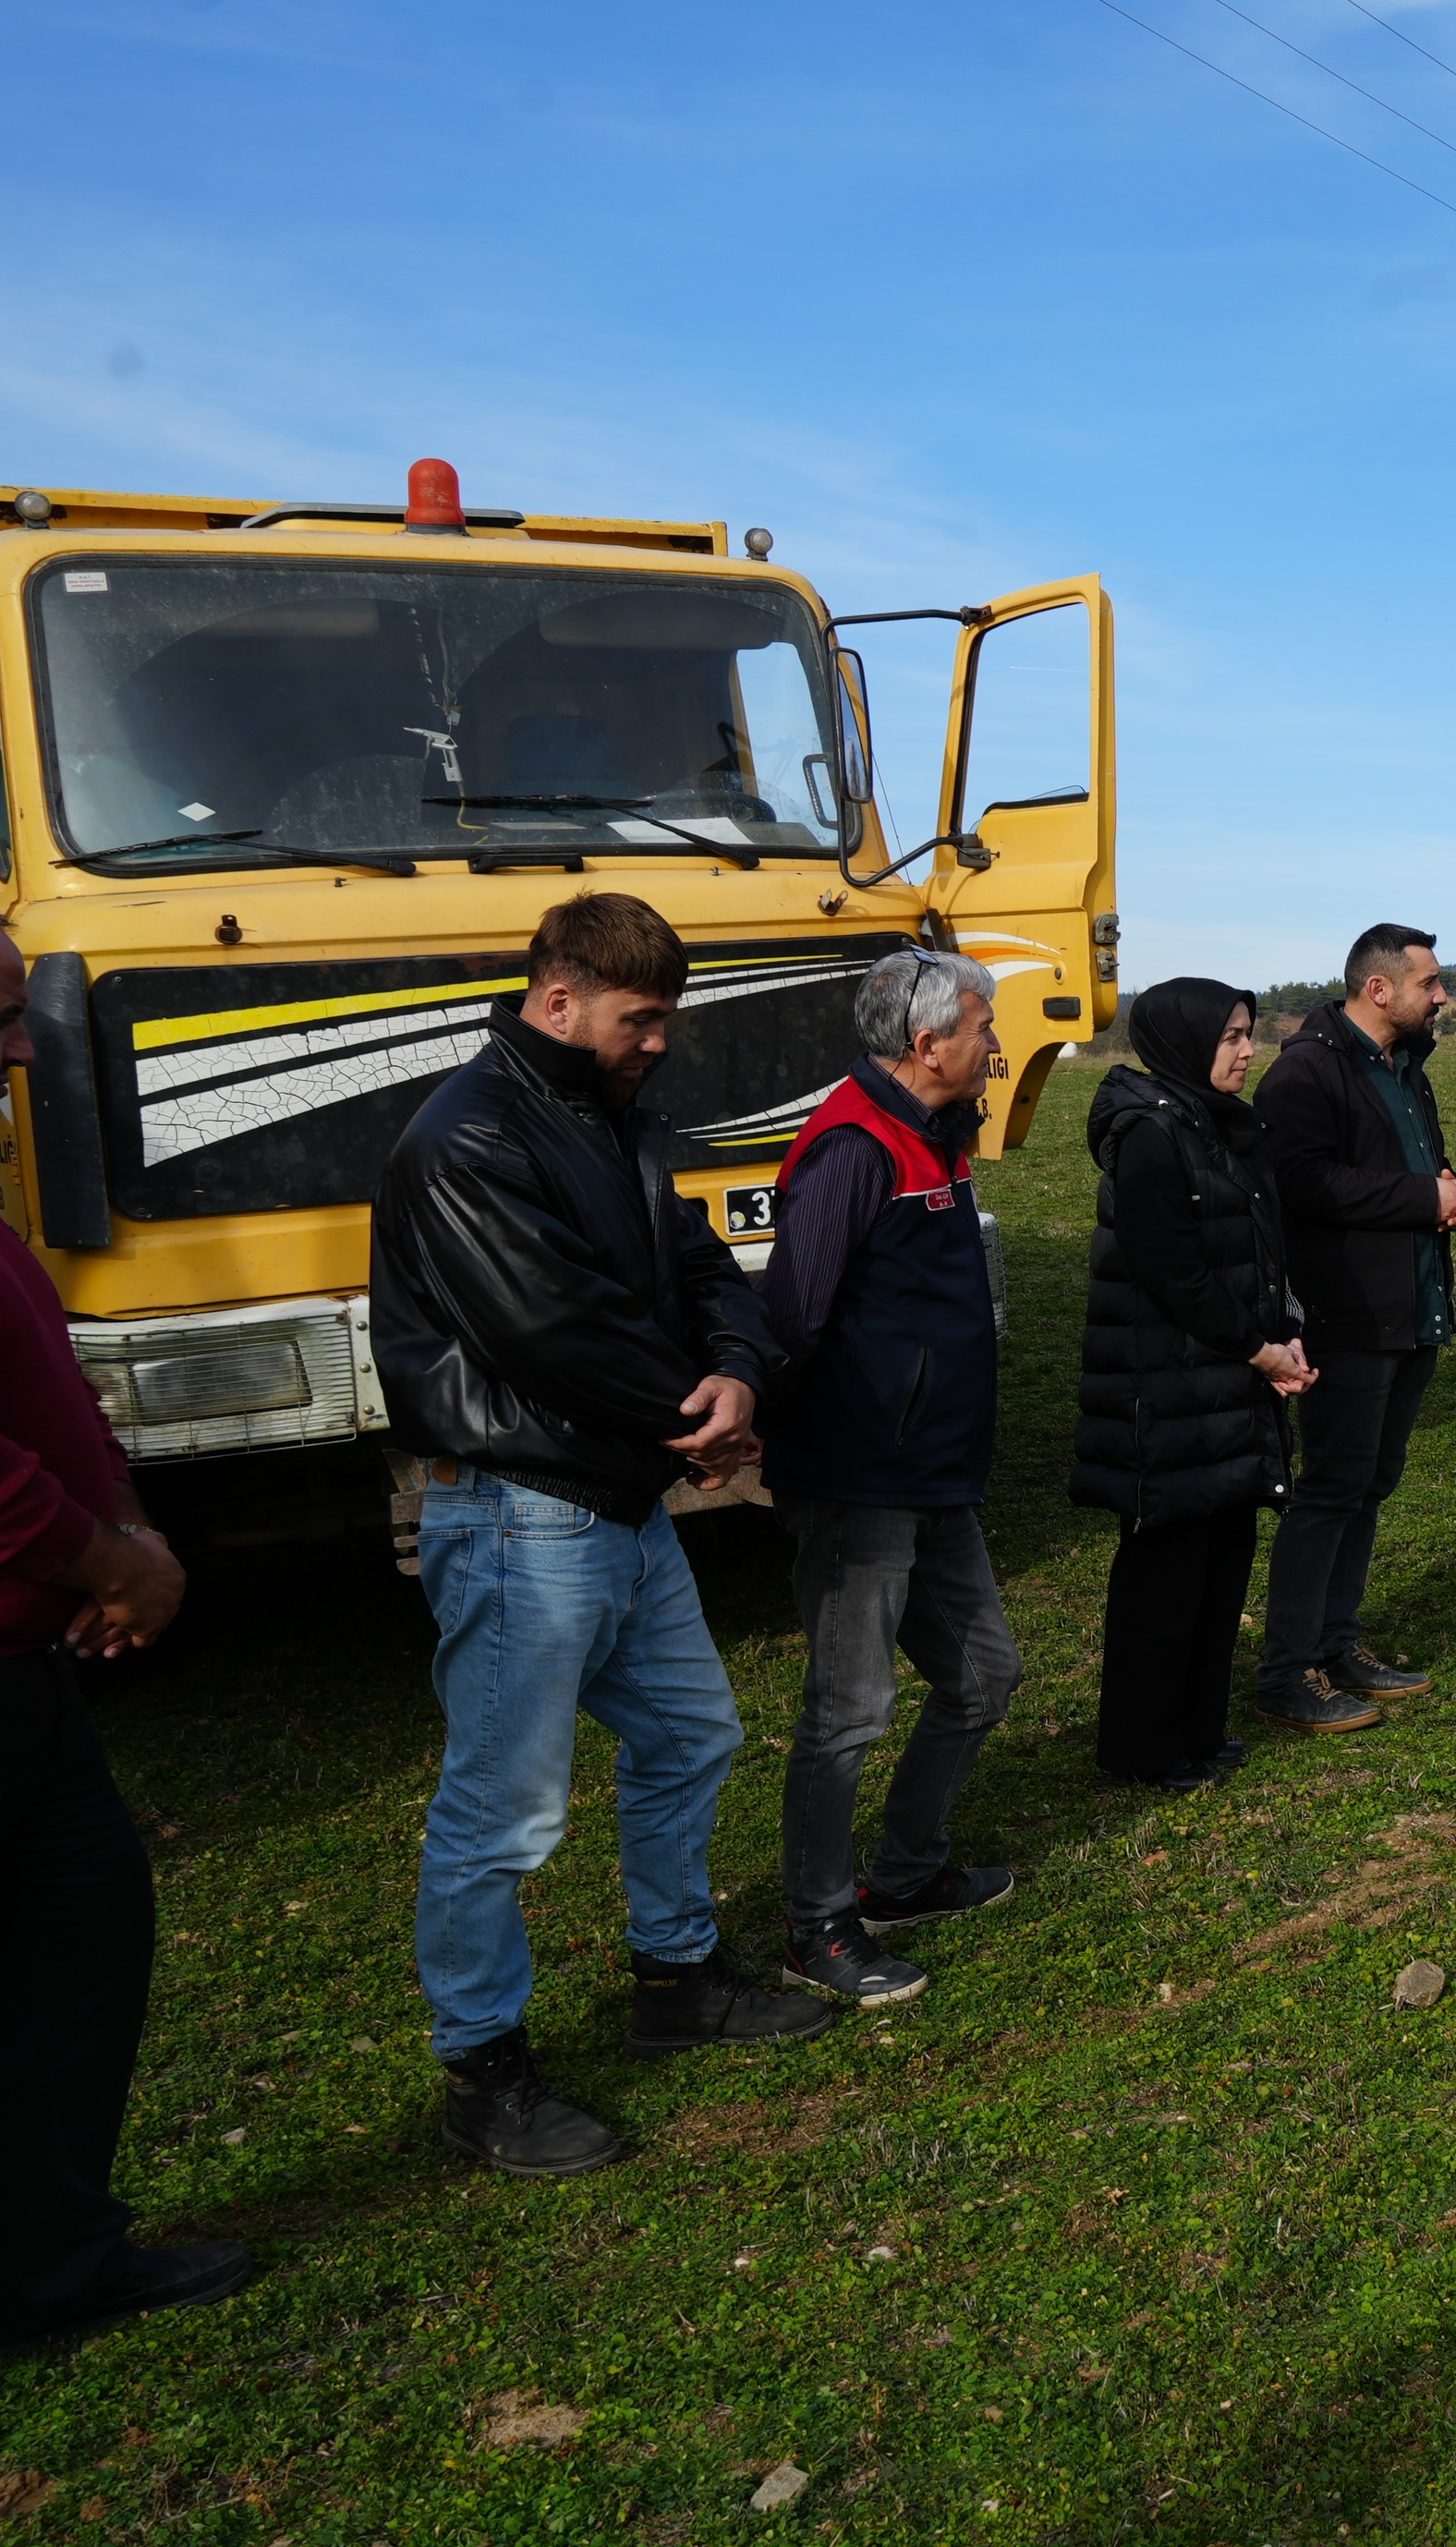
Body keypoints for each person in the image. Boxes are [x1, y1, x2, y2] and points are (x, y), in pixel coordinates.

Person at [371, 891, 827, 2179]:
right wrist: (704, 1419)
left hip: (616, 1498)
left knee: (693, 1734)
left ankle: (677, 1980)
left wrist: (736, 1374)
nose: (660, 1043)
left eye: (665, 1020)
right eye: (642, 1020)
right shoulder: (463, 1140)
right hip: (524, 1512)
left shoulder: (610, 1117)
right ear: (558, 999)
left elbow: (694, 1270)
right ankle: (482, 2068)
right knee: (504, 1808)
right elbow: (549, 1329)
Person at [0, 909, 253, 2363]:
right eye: (0, 1021)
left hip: (22, 1668)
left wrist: (123, 1530)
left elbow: (42, 1390)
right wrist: (102, 1557)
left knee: (76, 1947)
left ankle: (50, 2263)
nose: (26, 1051)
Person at [759, 949, 1025, 2011]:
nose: (995, 1045)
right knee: (847, 1709)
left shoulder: (935, 1135)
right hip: (862, 1476)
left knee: (985, 1675)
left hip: (935, 1472)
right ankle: (816, 1925)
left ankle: (906, 1876)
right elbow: (791, 1318)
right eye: (981, 1028)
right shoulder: (852, 1149)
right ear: (925, 1045)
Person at [1074, 979, 1314, 1788]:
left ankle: (1200, 1733)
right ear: (1185, 1044)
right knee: (1164, 1580)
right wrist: (1257, 1348)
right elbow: (1171, 1268)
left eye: (1249, 1034)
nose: (1249, 1050)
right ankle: (1144, 1750)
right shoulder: (1151, 1134)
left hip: (1229, 1382)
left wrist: (1283, 1331)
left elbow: (1260, 1249)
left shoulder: (1221, 1127)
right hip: (1168, 1390)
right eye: (1232, 1037)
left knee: (1220, 1563)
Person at [1254, 924, 1456, 1734]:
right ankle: (1288, 1671)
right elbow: (1299, 1182)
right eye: (1431, 983)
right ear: (1379, 989)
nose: (1442, 996)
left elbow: (1399, 1171)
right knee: (1331, 1491)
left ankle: (1337, 1645)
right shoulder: (1305, 1073)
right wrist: (1425, 1200)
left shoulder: (1404, 1069)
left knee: (1371, 1485)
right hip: (1348, 1317)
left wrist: (1448, 1192)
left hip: (1410, 1310)